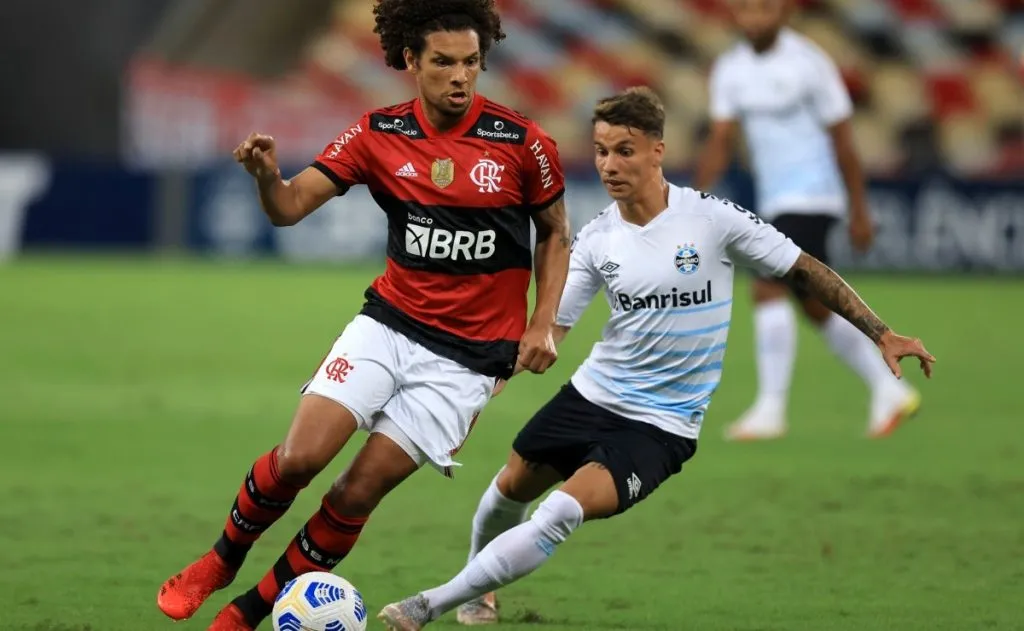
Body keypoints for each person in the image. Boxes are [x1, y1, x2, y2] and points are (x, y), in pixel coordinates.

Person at [376, 86, 935, 630]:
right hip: (591, 396)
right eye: (601, 151)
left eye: (624, 150)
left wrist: (880, 332)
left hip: (661, 425)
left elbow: (804, 269)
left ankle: (429, 605)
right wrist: (477, 390)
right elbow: (548, 332)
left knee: (561, 511)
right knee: (506, 490)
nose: (609, 165)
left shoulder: (711, 219)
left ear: (657, 151)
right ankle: (481, 595)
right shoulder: (596, 239)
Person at [155, 1, 571, 629]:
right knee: (299, 458)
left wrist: (542, 323)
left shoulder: (522, 142)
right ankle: (221, 559)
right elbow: (289, 208)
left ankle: (248, 612)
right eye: (444, 62)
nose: (460, 76)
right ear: (411, 61)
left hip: (467, 362)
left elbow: (555, 232)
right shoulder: (378, 133)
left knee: (356, 493)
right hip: (389, 326)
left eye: (471, 62)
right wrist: (266, 177)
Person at [694, 0, 919, 440]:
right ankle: (889, 389)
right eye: (747, 10)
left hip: (815, 194)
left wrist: (859, 208)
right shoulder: (731, 69)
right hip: (776, 200)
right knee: (815, 305)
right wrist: (690, 200)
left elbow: (843, 138)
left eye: (765, 10)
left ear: (784, 13)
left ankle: (771, 409)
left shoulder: (810, 63)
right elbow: (721, 140)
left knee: (767, 286)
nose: (755, 18)